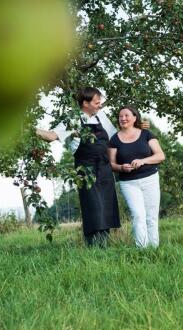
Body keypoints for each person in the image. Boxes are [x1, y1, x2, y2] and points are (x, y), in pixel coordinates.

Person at [36, 87, 120, 247]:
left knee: (106, 207)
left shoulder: (101, 116)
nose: (100, 105)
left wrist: (138, 127)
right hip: (86, 170)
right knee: (93, 207)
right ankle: (94, 247)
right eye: (96, 102)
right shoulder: (73, 119)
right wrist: (28, 128)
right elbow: (51, 136)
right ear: (85, 103)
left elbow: (115, 137)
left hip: (104, 168)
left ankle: (105, 247)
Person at [108, 106, 165, 248]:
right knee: (138, 215)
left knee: (151, 217)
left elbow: (160, 155)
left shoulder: (146, 134)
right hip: (129, 183)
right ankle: (142, 250)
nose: (123, 118)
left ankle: (154, 249)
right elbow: (111, 164)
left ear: (135, 118)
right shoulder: (114, 139)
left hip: (150, 179)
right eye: (120, 116)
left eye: (127, 115)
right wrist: (121, 167)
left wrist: (143, 161)